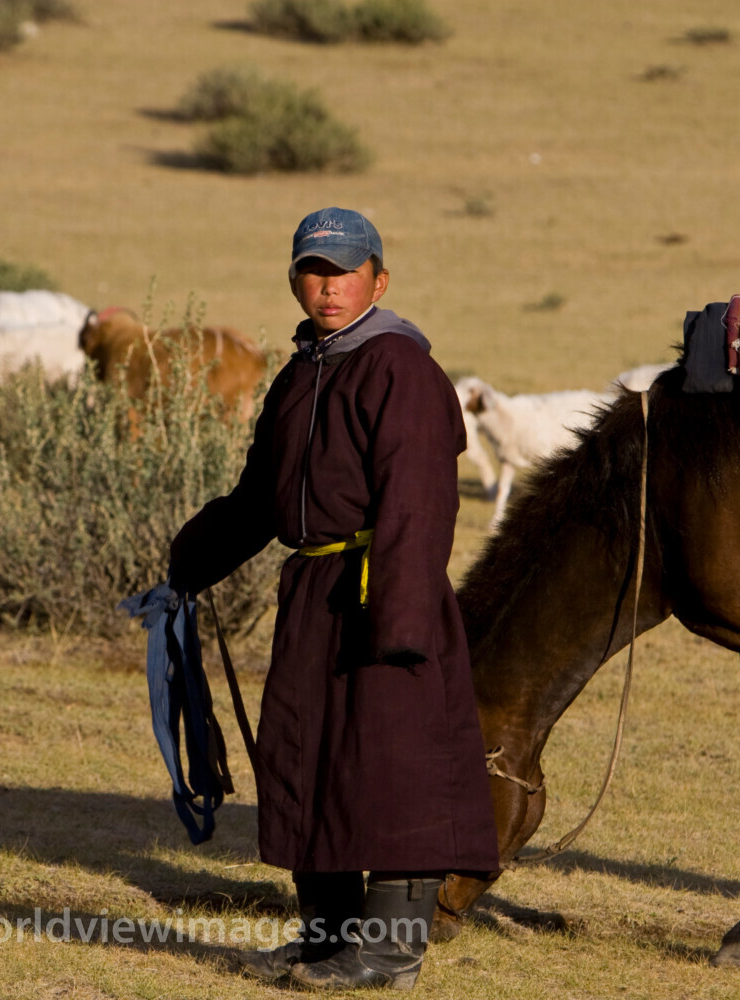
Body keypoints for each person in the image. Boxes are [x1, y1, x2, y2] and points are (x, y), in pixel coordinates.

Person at [167, 208, 499, 990]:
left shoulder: (401, 370)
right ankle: (327, 944)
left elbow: (420, 502)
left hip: (385, 591)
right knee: (313, 767)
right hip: (314, 591)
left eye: (345, 271)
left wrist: (404, 616)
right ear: (294, 281)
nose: (329, 286)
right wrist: (189, 561)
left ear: (379, 281)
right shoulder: (299, 372)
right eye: (314, 271)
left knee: (391, 771)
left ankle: (387, 957)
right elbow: (259, 499)